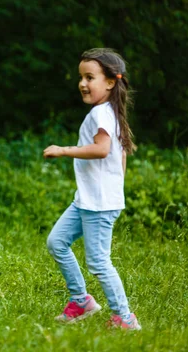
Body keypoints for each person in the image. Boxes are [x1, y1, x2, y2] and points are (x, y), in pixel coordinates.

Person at [43, 48, 141, 330]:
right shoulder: (109, 113)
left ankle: (124, 317)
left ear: (110, 82)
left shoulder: (102, 113)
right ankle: (81, 301)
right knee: (57, 242)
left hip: (98, 203)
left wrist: (63, 150)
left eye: (90, 77)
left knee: (99, 262)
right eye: (81, 77)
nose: (83, 83)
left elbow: (102, 149)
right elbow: (120, 156)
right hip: (88, 200)